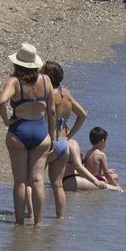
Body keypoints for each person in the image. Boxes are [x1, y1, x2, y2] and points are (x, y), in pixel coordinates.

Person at [0, 42, 57, 226]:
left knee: (20, 181)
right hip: (40, 132)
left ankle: (19, 223)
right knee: (38, 179)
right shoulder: (46, 80)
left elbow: (1, 101)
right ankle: (39, 223)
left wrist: (6, 120)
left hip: (19, 131)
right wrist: (52, 135)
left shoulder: (14, 81)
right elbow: (52, 111)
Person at [42, 60, 89, 220]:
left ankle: (33, 215)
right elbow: (83, 114)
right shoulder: (66, 94)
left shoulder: (48, 95)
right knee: (57, 184)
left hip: (49, 141)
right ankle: (60, 219)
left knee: (31, 179)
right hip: (63, 144)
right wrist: (69, 135)